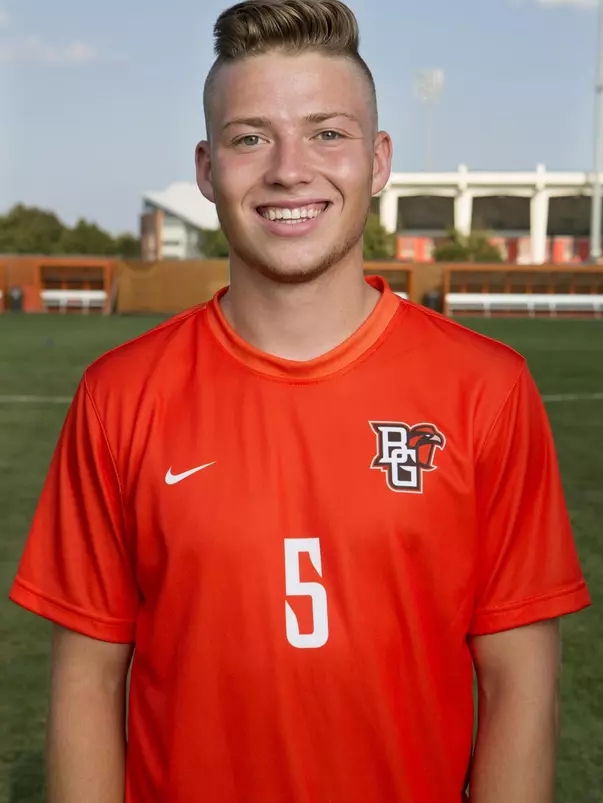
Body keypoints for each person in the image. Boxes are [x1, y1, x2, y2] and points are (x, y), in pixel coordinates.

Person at [9, 1, 591, 801]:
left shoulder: (486, 388)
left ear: (377, 159)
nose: (289, 168)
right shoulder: (120, 394)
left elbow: (522, 682)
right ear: (207, 168)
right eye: (250, 136)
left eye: (327, 132)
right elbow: (88, 682)